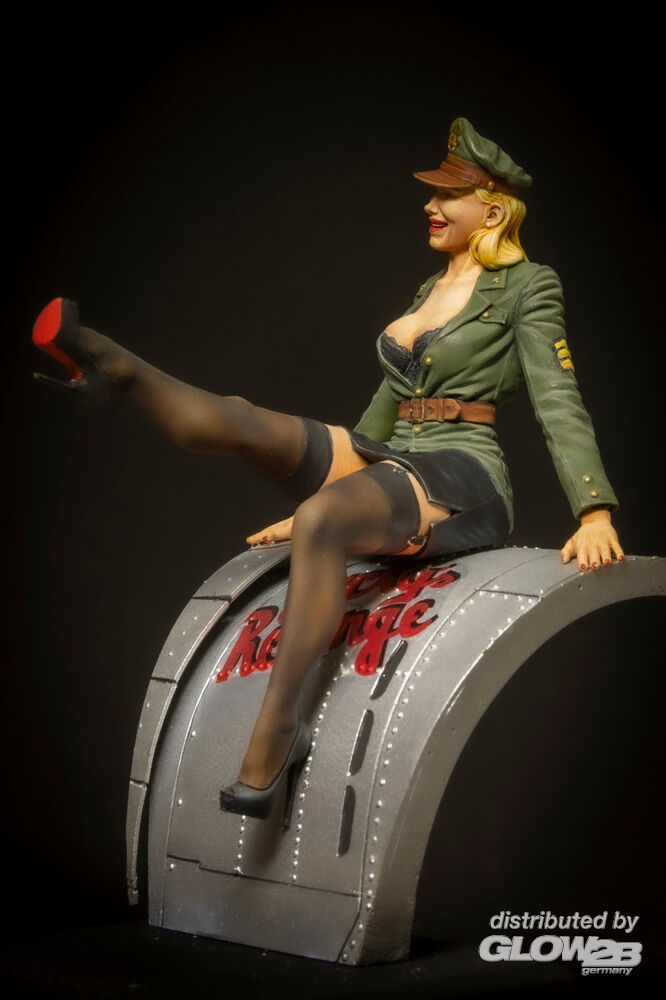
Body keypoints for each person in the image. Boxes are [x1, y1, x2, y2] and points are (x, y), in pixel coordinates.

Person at [32, 117, 624, 824]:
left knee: (320, 521)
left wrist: (594, 509)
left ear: (493, 211)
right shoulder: (428, 288)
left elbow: (559, 399)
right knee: (244, 421)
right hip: (397, 455)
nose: (430, 206)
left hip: (464, 473)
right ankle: (117, 368)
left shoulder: (528, 286)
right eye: (432, 194)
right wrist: (340, 481)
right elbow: (387, 404)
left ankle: (278, 730)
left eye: (448, 196)